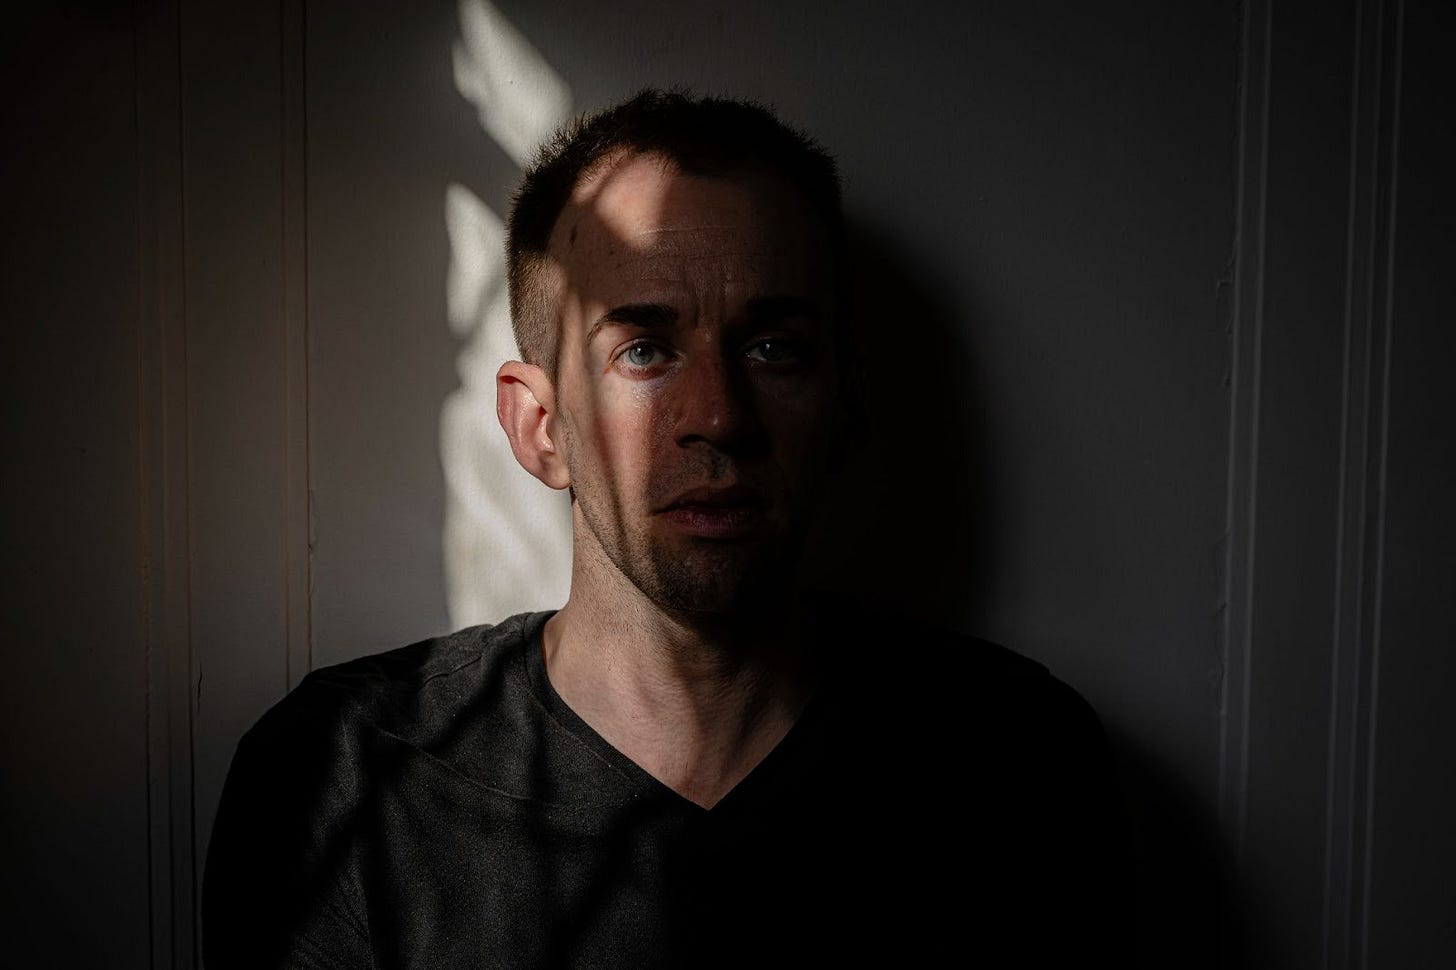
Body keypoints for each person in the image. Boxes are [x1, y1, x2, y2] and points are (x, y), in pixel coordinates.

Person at [202, 89, 1128, 968]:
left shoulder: (1020, 764)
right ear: (540, 427)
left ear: (844, 407)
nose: (718, 416)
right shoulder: (346, 775)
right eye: (643, 350)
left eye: (775, 349)